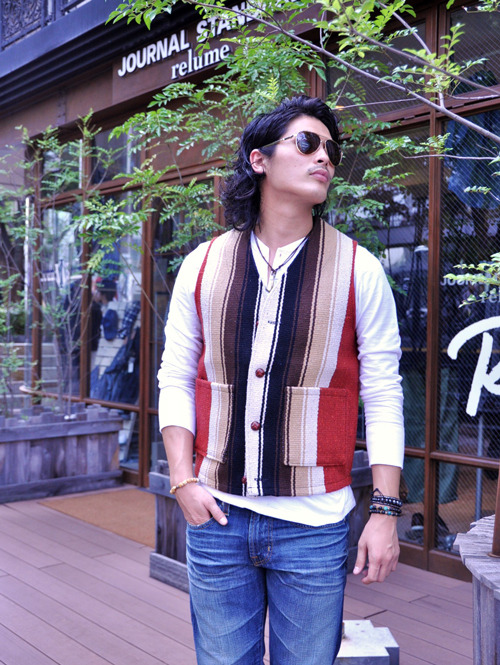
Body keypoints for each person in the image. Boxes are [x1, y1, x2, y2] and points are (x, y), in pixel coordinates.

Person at [157, 95, 404, 665]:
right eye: (308, 143)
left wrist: (385, 513)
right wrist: (182, 480)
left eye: (332, 149)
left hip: (314, 525)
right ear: (259, 159)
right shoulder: (201, 265)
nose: (325, 158)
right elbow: (176, 375)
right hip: (216, 516)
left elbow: (383, 395)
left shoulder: (360, 270)